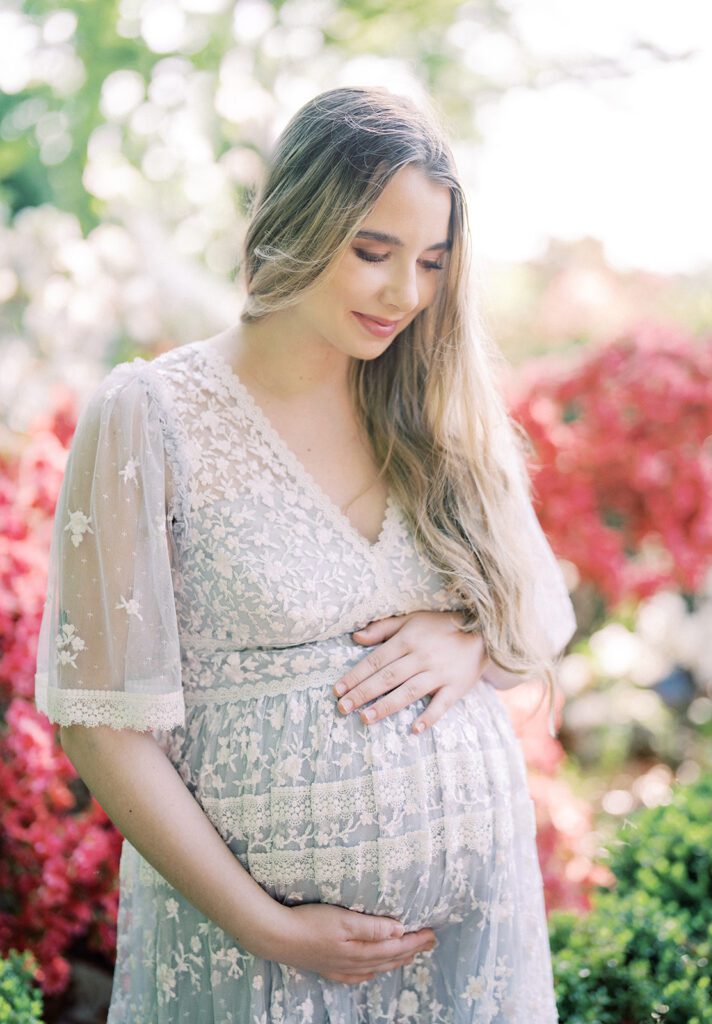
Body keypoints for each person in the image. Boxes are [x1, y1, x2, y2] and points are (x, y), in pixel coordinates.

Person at [34, 85, 576, 1023]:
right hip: (252, 957)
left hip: (469, 954)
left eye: (432, 263)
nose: (405, 294)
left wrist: (472, 641)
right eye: (374, 252)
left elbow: (547, 614)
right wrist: (269, 927)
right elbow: (100, 721)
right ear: (296, 222)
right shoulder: (150, 416)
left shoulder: (439, 409)